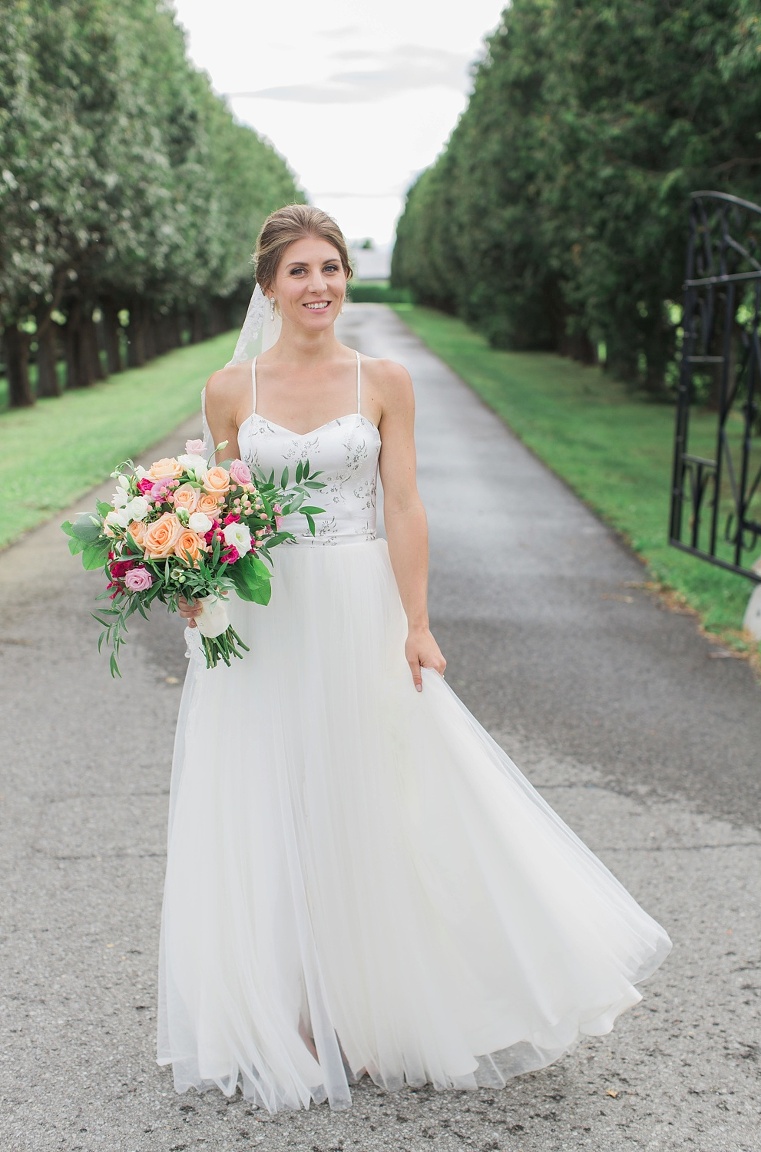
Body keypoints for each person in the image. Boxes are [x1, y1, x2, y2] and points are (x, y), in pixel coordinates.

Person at [157, 204, 671, 1113]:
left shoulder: (383, 380)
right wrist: (190, 582)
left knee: (374, 792)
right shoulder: (230, 391)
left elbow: (403, 507)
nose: (320, 287)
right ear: (270, 286)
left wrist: (418, 620)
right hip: (268, 617)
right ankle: (300, 1015)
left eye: (332, 268)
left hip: (360, 604)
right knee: (276, 796)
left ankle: (380, 998)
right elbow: (216, 505)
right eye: (301, 272)